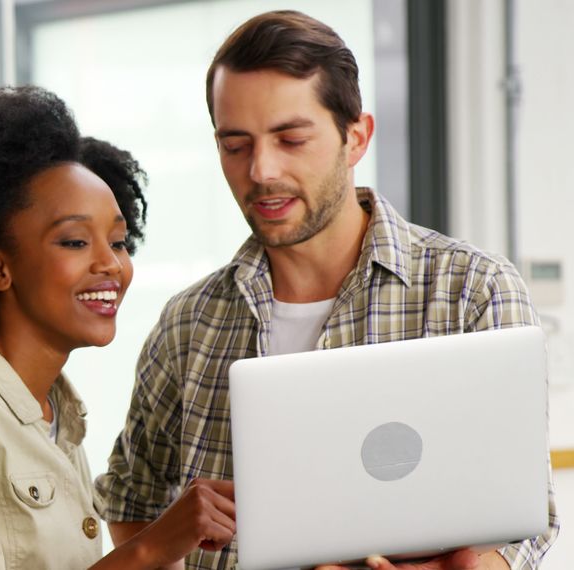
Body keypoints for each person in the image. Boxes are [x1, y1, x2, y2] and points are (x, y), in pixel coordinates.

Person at [94, 10, 559, 570]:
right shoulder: (187, 325)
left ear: (356, 136)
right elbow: (131, 505)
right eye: (235, 145)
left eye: (290, 139)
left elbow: (524, 525)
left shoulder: (472, 291)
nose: (261, 170)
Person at [0, 85, 237, 570]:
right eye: (75, 241)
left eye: (119, 241)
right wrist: (150, 546)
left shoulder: (54, 413)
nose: (111, 264)